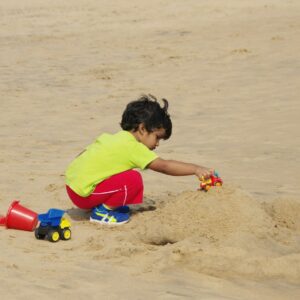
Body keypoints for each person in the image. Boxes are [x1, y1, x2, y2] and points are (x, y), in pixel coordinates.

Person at [65, 94, 213, 225]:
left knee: (118, 173)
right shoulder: (133, 147)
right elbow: (164, 166)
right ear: (142, 129)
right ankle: (102, 213)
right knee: (133, 179)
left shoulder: (114, 138)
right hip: (84, 196)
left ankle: (105, 203)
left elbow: (84, 153)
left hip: (72, 187)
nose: (157, 144)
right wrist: (196, 169)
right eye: (157, 137)